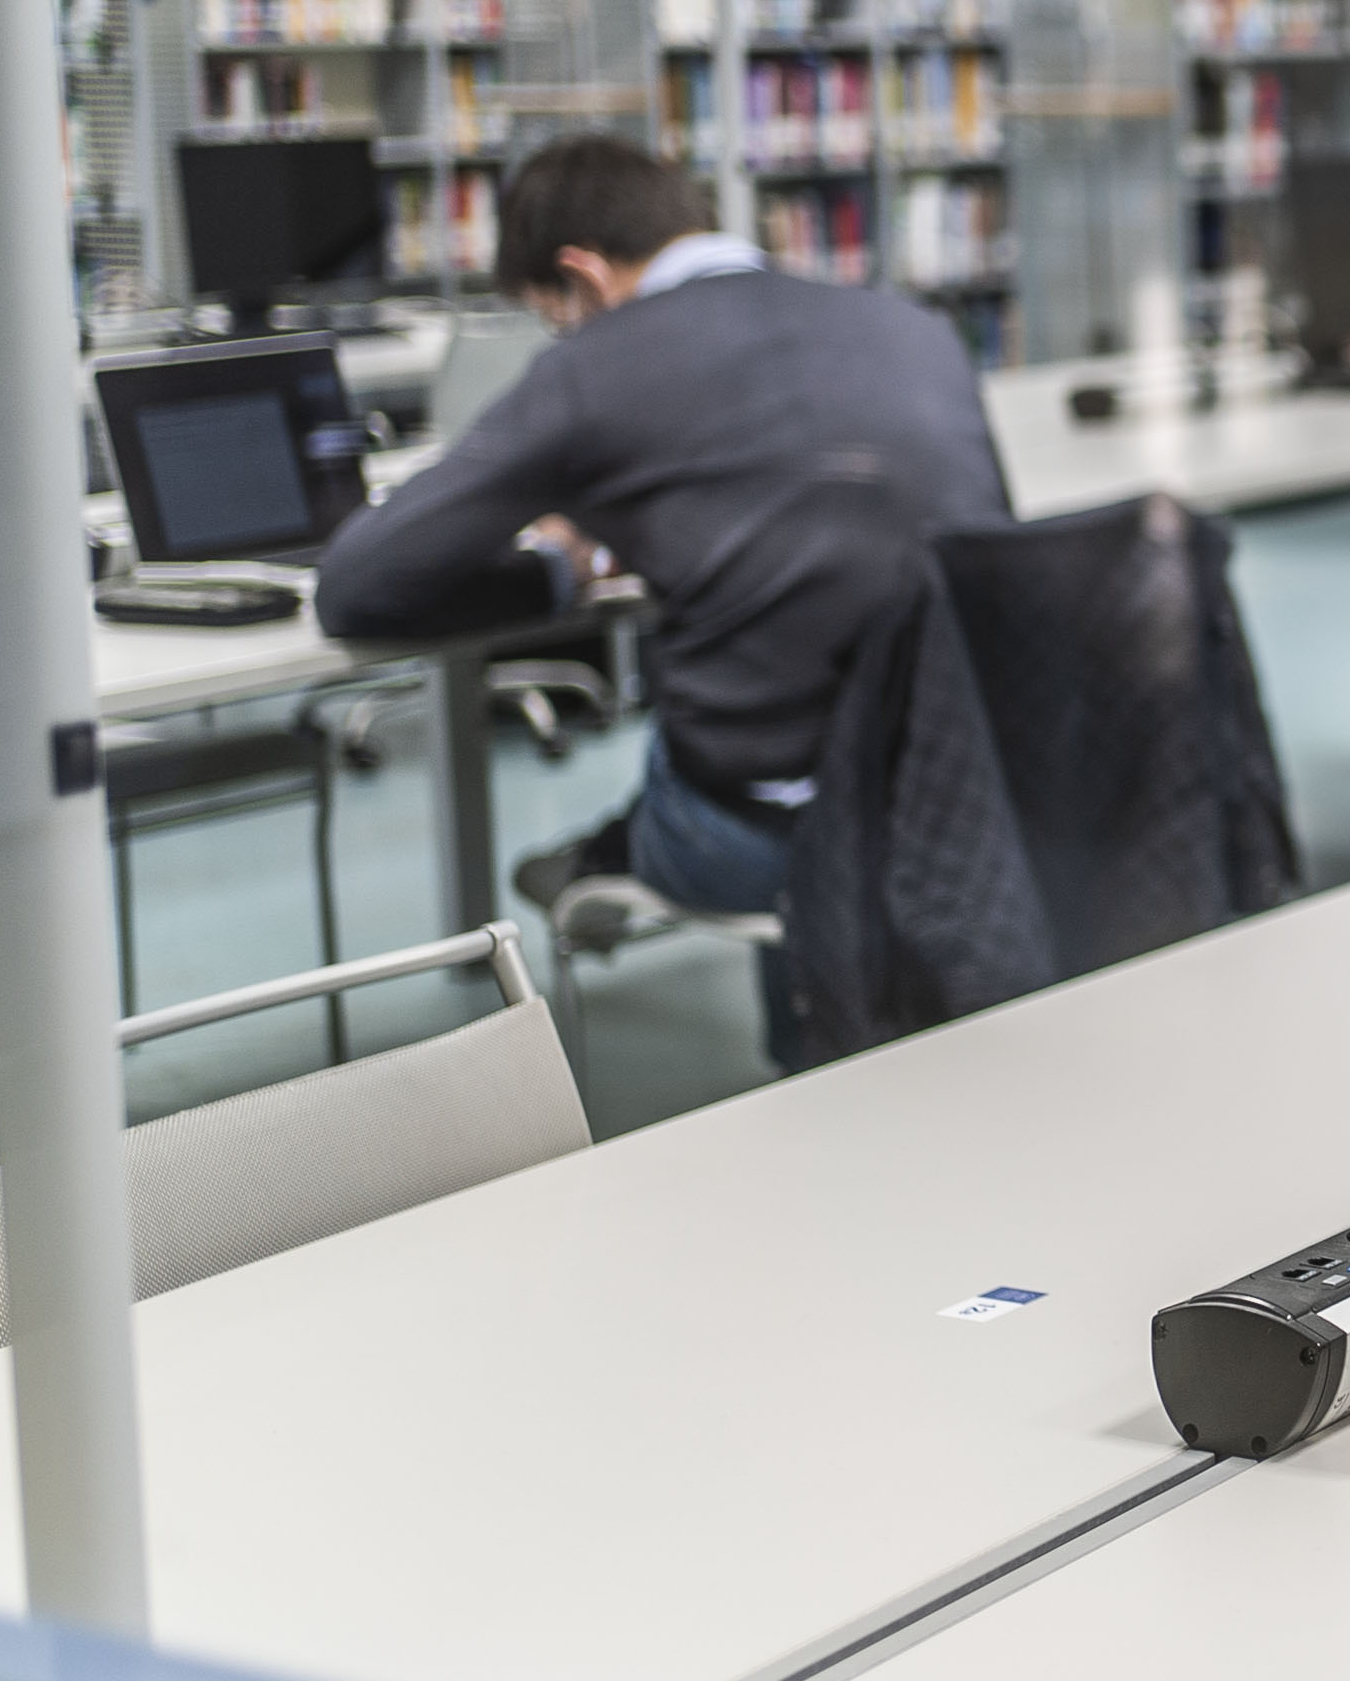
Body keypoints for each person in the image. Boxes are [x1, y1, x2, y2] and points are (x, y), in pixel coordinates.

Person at [315, 136, 1012, 1061]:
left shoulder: (602, 366)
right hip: (971, 799)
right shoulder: (911, 325)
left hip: (765, 833)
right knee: (807, 688)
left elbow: (359, 585)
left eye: (554, 319)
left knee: (727, 757)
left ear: (585, 277)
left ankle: (618, 862)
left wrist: (562, 566)